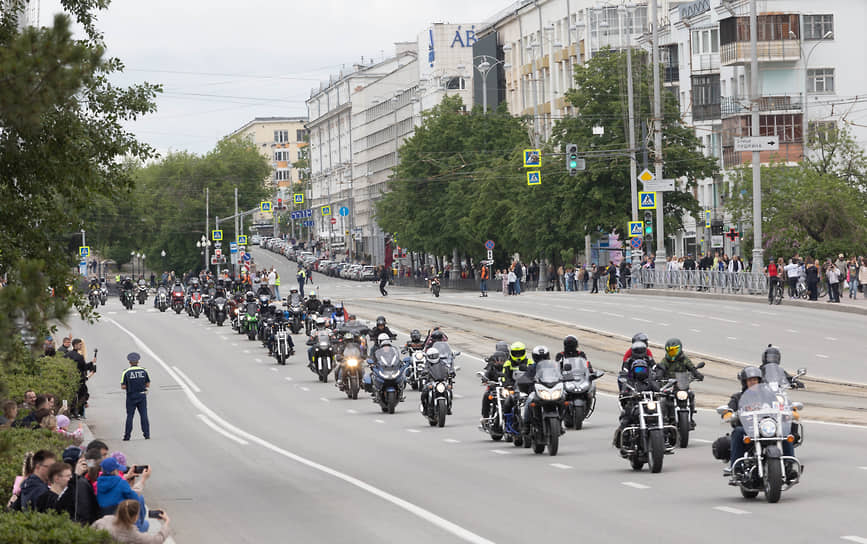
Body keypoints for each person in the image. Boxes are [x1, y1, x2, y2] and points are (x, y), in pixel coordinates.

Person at [721, 366, 796, 480]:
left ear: (759, 381)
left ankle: (789, 467)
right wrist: (728, 413)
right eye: (750, 380)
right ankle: (736, 469)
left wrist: (790, 410)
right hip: (748, 430)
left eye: (755, 380)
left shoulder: (768, 395)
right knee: (737, 432)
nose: (753, 382)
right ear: (745, 382)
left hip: (767, 427)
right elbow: (730, 408)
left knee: (786, 431)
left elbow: (781, 404)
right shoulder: (738, 397)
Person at [656, 338, 704, 426]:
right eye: (670, 351)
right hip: (668, 384)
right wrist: (659, 375)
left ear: (680, 349)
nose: (672, 353)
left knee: (691, 395)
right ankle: (664, 418)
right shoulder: (665, 360)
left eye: (675, 350)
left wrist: (697, 374)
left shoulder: (684, 359)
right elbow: (661, 368)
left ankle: (691, 417)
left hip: (682, 383)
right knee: (663, 400)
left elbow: (691, 368)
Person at [613, 360, 660, 447]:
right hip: (634, 405)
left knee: (662, 416)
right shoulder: (630, 382)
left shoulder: (650, 382)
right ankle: (623, 438)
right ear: (633, 371)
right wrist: (626, 393)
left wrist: (663, 392)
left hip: (648, 405)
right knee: (626, 417)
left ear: (647, 371)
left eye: (643, 370)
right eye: (638, 370)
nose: (641, 372)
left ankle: (663, 438)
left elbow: (658, 389)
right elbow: (624, 391)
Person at [95, 457, 149, 532]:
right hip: (121, 521)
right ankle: (139, 524)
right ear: (114, 471)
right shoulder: (121, 483)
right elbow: (135, 498)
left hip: (107, 520)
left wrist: (127, 476)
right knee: (146, 524)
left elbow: (113, 485)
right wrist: (143, 479)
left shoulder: (98, 484)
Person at [93, 499, 171, 543]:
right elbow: (156, 540)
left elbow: (90, 529)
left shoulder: (106, 519)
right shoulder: (132, 534)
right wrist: (166, 523)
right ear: (135, 517)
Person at [121, 352, 150, 441]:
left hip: (131, 396)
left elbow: (123, 386)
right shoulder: (144, 370)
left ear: (129, 362)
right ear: (138, 361)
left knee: (130, 416)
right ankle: (146, 434)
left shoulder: (126, 372)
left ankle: (127, 436)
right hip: (142, 395)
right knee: (144, 415)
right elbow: (148, 384)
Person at [66, 339, 96, 419]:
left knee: (72, 396)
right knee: (82, 395)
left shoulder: (67, 354)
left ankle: (72, 411)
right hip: (79, 379)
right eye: (80, 344)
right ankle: (78, 411)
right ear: (75, 345)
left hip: (70, 378)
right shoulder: (79, 357)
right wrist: (91, 363)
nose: (81, 346)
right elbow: (84, 368)